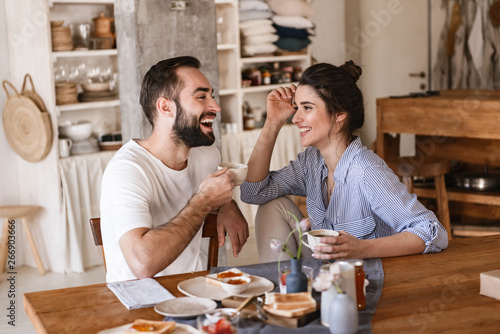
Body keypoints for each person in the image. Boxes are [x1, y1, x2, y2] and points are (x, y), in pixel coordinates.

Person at [240, 61, 448, 263]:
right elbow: (252, 192)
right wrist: (272, 122)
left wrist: (362, 249)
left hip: (367, 283)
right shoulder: (310, 163)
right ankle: (285, 296)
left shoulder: (367, 171)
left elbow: (434, 232)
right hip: (326, 277)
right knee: (271, 205)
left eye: (307, 108)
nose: (295, 118)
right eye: (297, 107)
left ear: (339, 113)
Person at [101, 56, 249, 282]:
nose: (215, 107)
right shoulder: (127, 170)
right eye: (201, 97)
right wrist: (204, 202)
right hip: (138, 301)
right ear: (166, 107)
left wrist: (227, 205)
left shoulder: (208, 156)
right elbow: (143, 264)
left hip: (192, 292)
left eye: (212, 96)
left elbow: (216, 194)